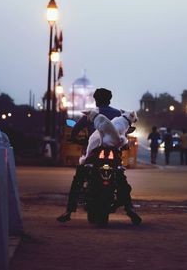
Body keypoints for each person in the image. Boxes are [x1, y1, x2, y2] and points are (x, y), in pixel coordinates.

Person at [57, 88, 141, 225]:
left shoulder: (91, 114)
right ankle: (130, 208)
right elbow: (123, 131)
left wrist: (73, 138)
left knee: (79, 176)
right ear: (110, 99)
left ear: (95, 100)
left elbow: (76, 129)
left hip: (94, 151)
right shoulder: (118, 114)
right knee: (120, 177)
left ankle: (69, 210)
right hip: (114, 151)